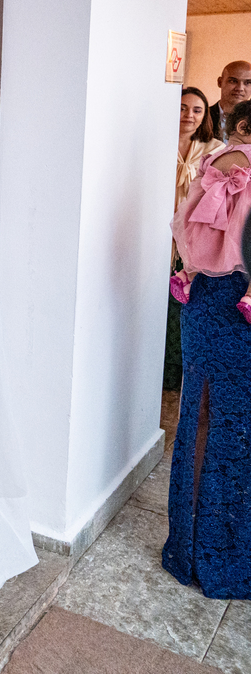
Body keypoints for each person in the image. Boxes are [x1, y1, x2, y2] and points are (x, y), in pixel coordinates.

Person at [164, 99, 251, 599]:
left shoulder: (212, 164)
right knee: (235, 426)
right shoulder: (242, 168)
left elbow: (188, 241)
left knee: (200, 415)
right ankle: (226, 554)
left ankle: (190, 546)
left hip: (205, 302)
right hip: (238, 306)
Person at [164, 87, 223, 389]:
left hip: (190, 233)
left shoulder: (215, 148)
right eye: (183, 107)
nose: (189, 115)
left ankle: (174, 373)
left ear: (205, 115)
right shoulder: (159, 139)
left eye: (197, 110)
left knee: (181, 299)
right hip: (153, 226)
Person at [209, 60, 251, 143]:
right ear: (220, 82)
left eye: (248, 83)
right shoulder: (202, 117)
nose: (240, 88)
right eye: (233, 81)